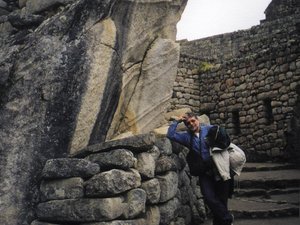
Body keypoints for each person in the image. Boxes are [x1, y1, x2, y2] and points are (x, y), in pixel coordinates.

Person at [167, 112, 234, 225]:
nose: (191, 124)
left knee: (222, 201)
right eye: (188, 123)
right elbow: (171, 135)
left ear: (197, 119)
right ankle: (227, 218)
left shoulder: (210, 129)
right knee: (209, 198)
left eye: (193, 121)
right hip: (204, 173)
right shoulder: (187, 137)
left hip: (220, 169)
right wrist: (177, 121)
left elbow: (225, 139)